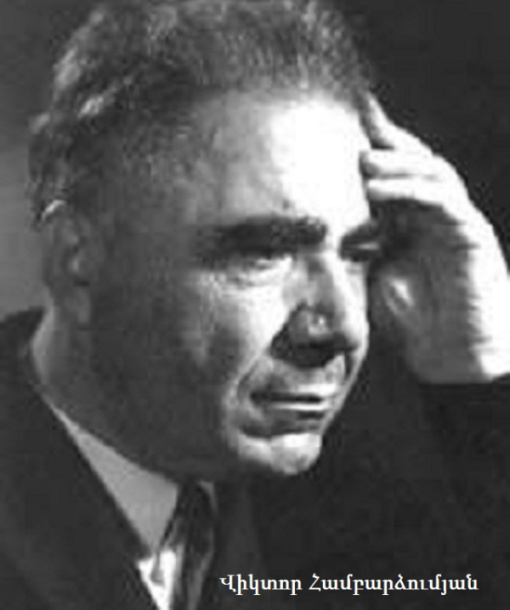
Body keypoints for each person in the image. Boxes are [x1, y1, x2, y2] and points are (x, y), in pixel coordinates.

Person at [1, 0, 509, 607]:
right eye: (265, 251)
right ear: (79, 262)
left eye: (360, 253)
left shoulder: (350, 516)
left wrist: (475, 365)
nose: (344, 325)